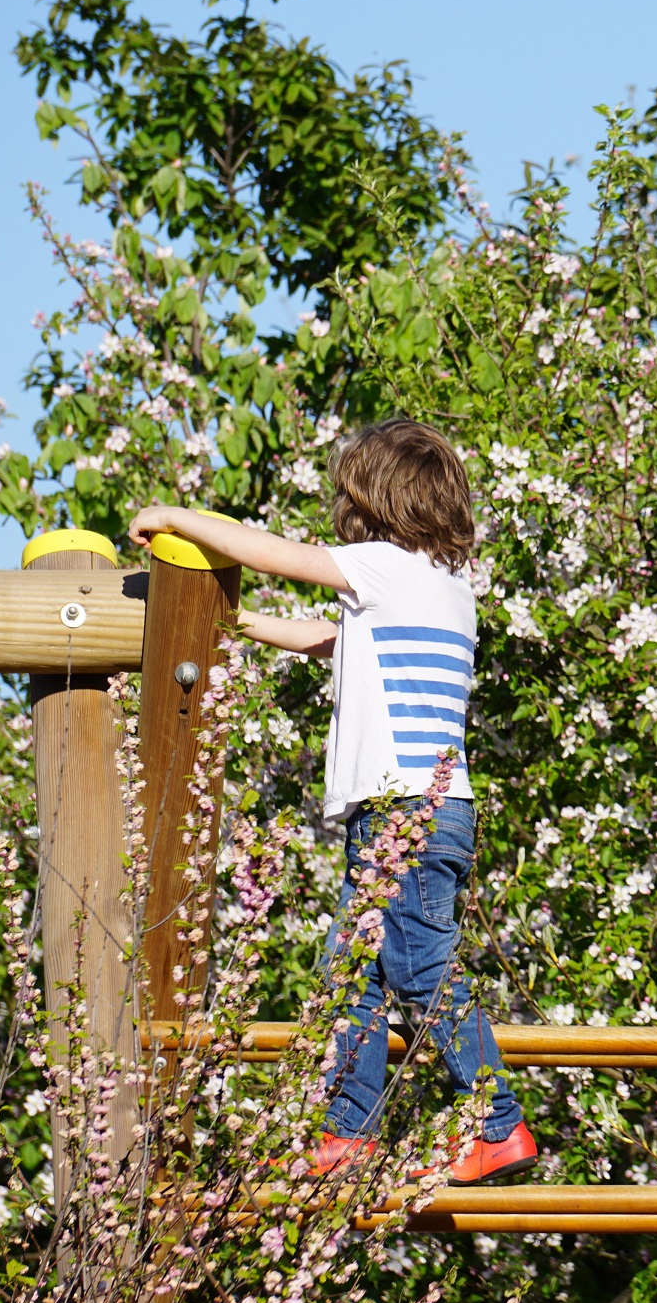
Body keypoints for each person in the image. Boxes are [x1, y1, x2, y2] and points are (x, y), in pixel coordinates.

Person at [127, 419, 536, 1183]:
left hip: (403, 811)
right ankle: (347, 1135)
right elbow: (335, 638)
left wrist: (181, 518)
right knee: (350, 974)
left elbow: (276, 553)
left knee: (418, 967)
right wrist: (245, 624)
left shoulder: (382, 564)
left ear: (372, 502)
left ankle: (498, 1122)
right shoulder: (446, 586)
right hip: (425, 811)